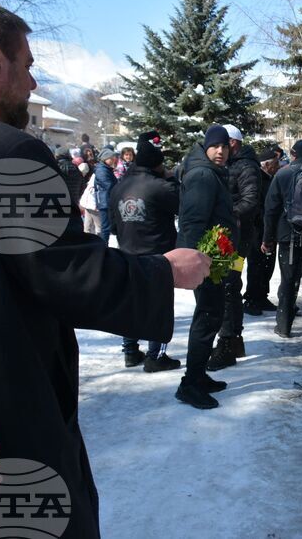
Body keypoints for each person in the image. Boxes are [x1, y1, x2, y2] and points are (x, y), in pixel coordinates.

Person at [0, 0, 210, 538]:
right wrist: (162, 273)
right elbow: (67, 272)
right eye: (27, 65)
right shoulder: (3, 151)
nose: (31, 84)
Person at [175, 124, 238, 409]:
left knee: (212, 315)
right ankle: (190, 385)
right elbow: (192, 222)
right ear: (206, 146)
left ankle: (197, 376)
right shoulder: (203, 174)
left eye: (225, 146)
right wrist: (192, 260)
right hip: (203, 260)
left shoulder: (211, 172)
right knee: (207, 316)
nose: (221, 151)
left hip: (212, 258)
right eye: (216, 146)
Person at [110, 131, 183, 372]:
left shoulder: (119, 187)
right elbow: (182, 205)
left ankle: (130, 351)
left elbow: (112, 223)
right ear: (157, 164)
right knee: (159, 306)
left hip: (127, 251)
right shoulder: (160, 186)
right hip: (156, 253)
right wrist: (172, 180)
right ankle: (155, 355)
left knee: (132, 303)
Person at [209, 124, 262, 370]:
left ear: (233, 143)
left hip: (237, 238)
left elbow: (251, 200)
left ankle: (229, 342)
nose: (219, 148)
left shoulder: (246, 166)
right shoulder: (227, 165)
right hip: (224, 236)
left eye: (223, 143)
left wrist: (227, 215)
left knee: (229, 286)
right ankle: (233, 339)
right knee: (226, 285)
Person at [262, 139, 302, 338]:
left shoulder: (282, 174)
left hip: (287, 235)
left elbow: (271, 209)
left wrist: (267, 238)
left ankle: (284, 326)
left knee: (288, 280)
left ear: (294, 154)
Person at [244, 147, 280, 315]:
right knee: (256, 265)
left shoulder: (271, 179)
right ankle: (251, 299)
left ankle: (262, 296)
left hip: (269, 229)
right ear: (266, 164)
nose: (278, 165)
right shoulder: (258, 179)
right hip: (257, 230)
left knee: (267, 265)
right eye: (275, 163)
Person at [94, 147, 118, 243]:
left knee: (107, 226)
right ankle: (104, 247)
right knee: (106, 227)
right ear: (105, 159)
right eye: (111, 158)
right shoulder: (101, 170)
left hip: (107, 200)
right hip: (105, 202)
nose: (113, 160)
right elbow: (108, 185)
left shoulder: (106, 169)